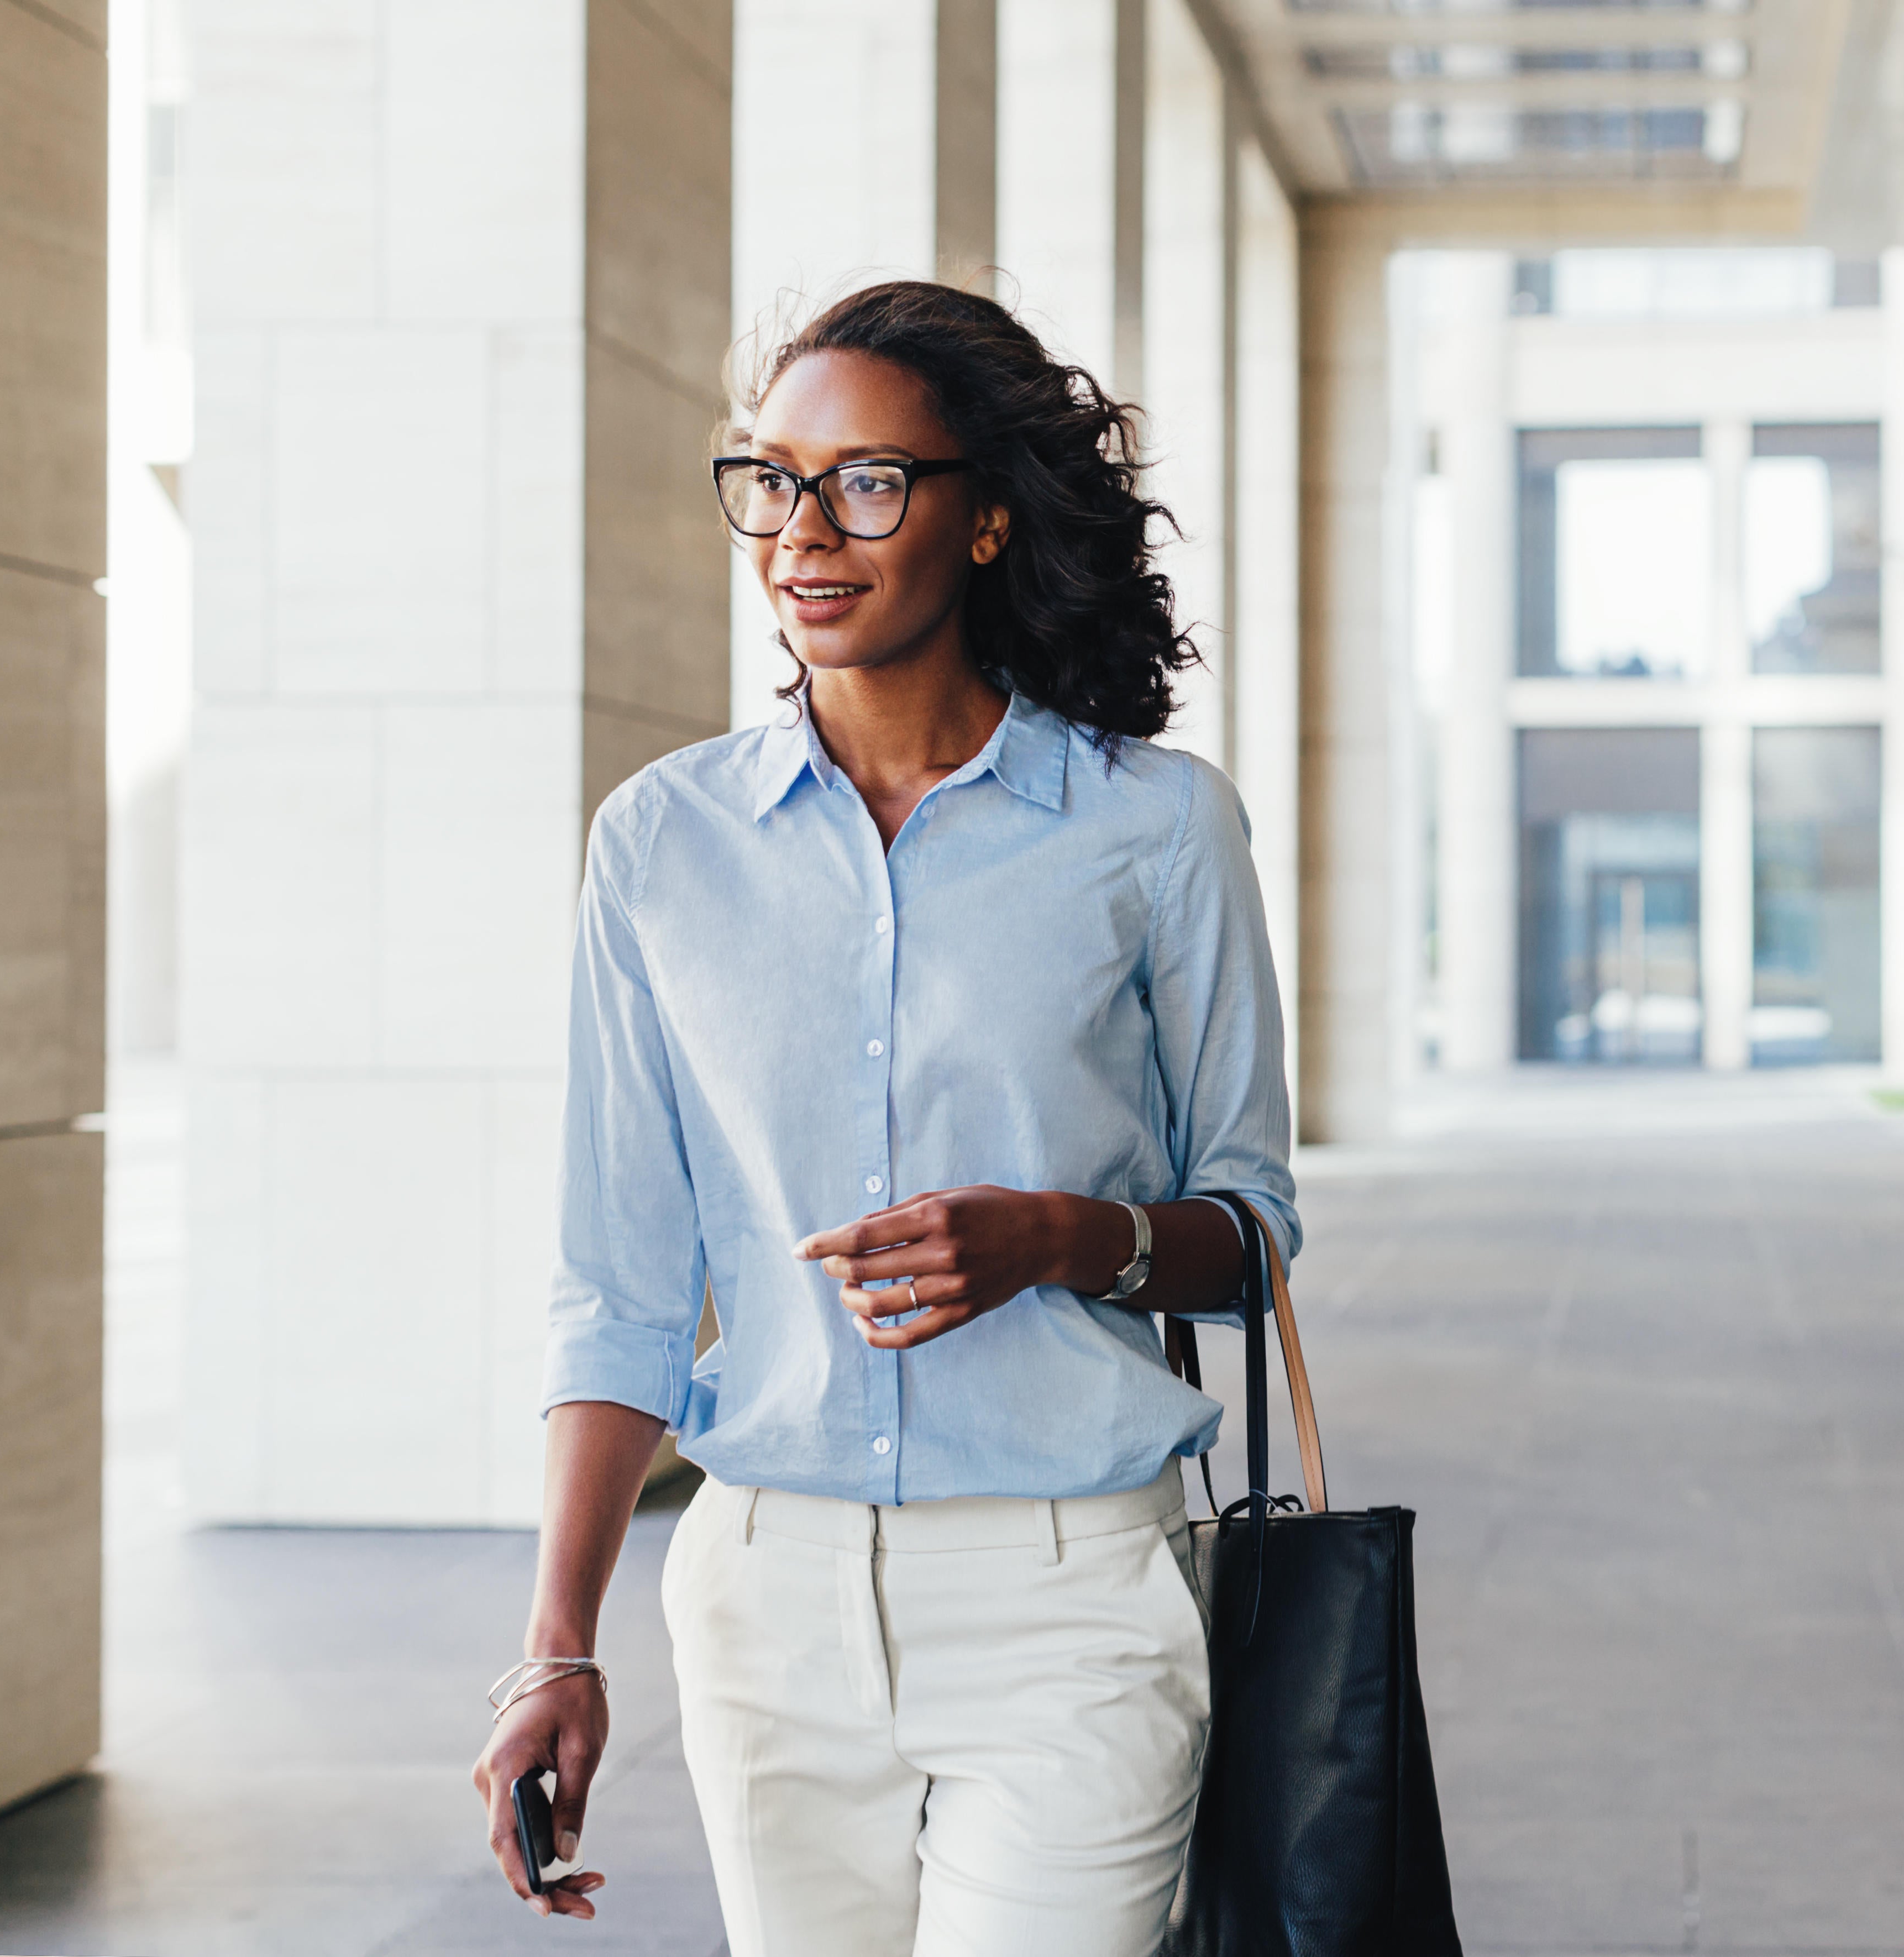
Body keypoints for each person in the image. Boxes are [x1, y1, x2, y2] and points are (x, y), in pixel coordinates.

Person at [467, 279, 1296, 1957]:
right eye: (770, 480)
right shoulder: (661, 844)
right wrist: (559, 1644)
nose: (801, 531)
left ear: (985, 518)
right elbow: (618, 1285)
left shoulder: (1155, 829)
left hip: (1073, 1601)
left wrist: (1054, 1239)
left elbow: (1250, 1233)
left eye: (866, 481)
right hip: (765, 1603)